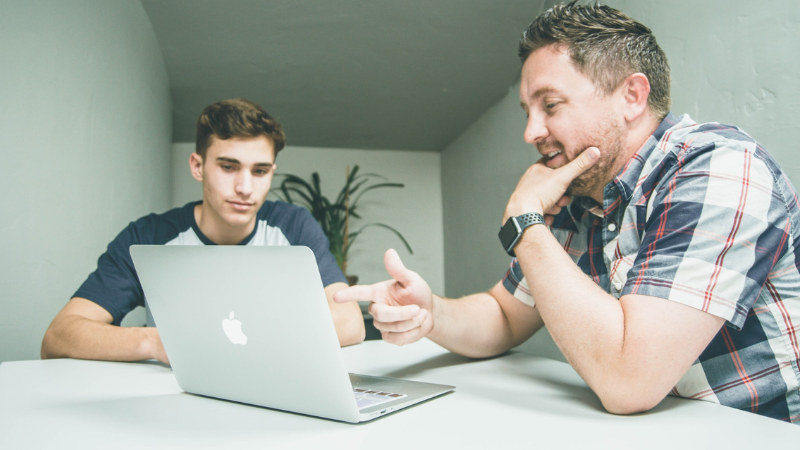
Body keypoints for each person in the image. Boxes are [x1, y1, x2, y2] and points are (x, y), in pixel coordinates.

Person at [335, 2, 800, 423]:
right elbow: (504, 315)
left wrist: (524, 220)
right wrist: (432, 312)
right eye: (527, 111)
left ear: (632, 97)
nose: (531, 131)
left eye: (550, 105)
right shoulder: (579, 196)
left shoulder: (720, 168)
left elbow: (629, 381)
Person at [42, 98, 365, 364]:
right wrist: (157, 342)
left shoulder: (293, 226)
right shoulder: (148, 236)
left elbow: (350, 323)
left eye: (260, 171)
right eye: (228, 167)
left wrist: (234, 338)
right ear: (198, 166)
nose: (245, 187)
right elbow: (60, 335)